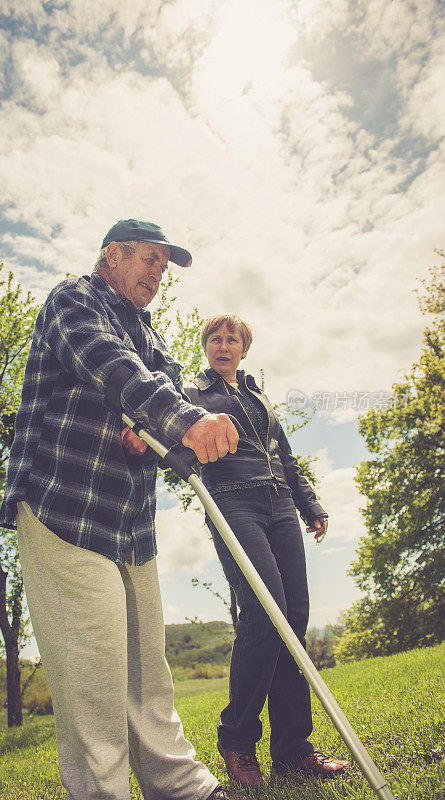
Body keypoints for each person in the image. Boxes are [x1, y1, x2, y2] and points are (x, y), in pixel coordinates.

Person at [0, 220, 239, 800]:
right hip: (64, 507)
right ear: (114, 255)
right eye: (150, 260)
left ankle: (181, 787)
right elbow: (108, 365)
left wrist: (162, 434)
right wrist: (185, 422)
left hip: (130, 523)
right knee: (94, 681)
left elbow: (164, 392)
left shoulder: (151, 337)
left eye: (164, 266)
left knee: (146, 672)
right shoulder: (73, 301)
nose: (158, 274)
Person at [185, 313, 350, 787]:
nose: (222, 346)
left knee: (293, 618)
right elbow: (178, 437)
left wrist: (309, 504)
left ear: (243, 348)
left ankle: (294, 751)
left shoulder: (258, 396)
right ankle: (237, 739)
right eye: (214, 339)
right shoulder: (193, 395)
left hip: (279, 504)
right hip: (234, 503)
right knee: (265, 609)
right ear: (206, 348)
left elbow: (287, 457)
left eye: (230, 339)